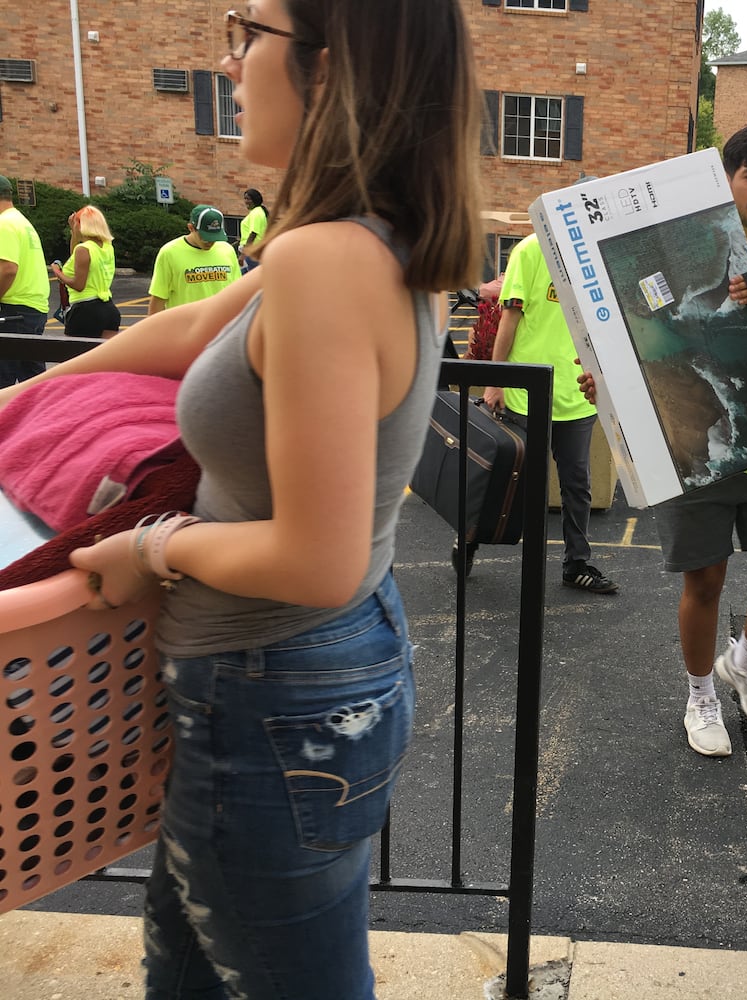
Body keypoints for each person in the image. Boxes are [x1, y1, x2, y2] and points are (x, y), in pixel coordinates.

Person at [0, 2, 483, 996]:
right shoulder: (353, 243)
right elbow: (187, 333)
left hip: (272, 694)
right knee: (189, 978)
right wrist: (25, 392)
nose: (225, 57)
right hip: (305, 682)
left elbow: (317, 556)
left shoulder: (323, 263)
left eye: (245, 31)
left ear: (325, 66)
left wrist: (153, 549)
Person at [579, 124, 747, 758]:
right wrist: (612, 386)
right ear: (725, 179)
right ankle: (700, 694)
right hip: (690, 446)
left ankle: (745, 661)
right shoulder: (682, 251)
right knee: (705, 581)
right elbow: (641, 335)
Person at [482, 230, 618, 595]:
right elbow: (508, 320)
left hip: (574, 396)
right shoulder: (528, 250)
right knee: (508, 482)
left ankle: (576, 564)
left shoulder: (593, 256)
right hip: (527, 394)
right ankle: (470, 539)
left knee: (578, 486)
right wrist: (495, 381)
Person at [147, 204, 241, 314]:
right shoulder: (169, 253)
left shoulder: (227, 250)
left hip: (223, 328)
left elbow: (237, 293)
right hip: (186, 328)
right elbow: (158, 299)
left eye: (214, 237)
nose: (210, 242)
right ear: (191, 228)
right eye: (205, 237)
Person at [0, 174, 49, 386]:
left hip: (14, 311)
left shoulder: (4, 223)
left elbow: (8, 269)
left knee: (4, 383)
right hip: (33, 309)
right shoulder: (21, 221)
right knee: (34, 384)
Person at [50, 205, 121, 339]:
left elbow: (78, 285)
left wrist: (57, 272)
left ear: (81, 225)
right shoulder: (107, 246)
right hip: (108, 308)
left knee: (75, 355)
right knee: (105, 357)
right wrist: (74, 231)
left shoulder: (83, 249)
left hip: (85, 309)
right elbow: (76, 258)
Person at [239, 187, 269, 273]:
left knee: (246, 281)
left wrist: (243, 255)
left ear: (255, 200)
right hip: (254, 251)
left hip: (251, 252)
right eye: (245, 198)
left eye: (248, 199)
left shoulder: (256, 213)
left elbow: (253, 234)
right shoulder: (258, 211)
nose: (246, 201)